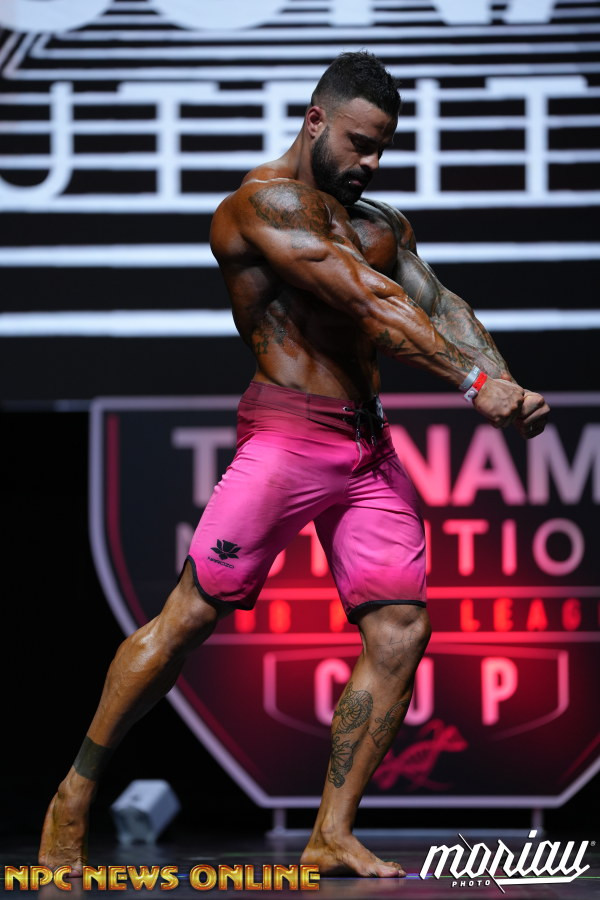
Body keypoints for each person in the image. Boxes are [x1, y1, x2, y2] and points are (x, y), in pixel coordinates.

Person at [39, 52, 550, 878]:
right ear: (316, 121)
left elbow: (439, 303)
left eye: (383, 147)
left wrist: (506, 382)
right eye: (359, 143)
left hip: (366, 445)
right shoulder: (259, 207)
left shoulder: (379, 221)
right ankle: (74, 792)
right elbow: (367, 299)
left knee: (401, 629)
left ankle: (331, 832)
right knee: (188, 620)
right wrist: (473, 384)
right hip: (286, 436)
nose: (371, 162)